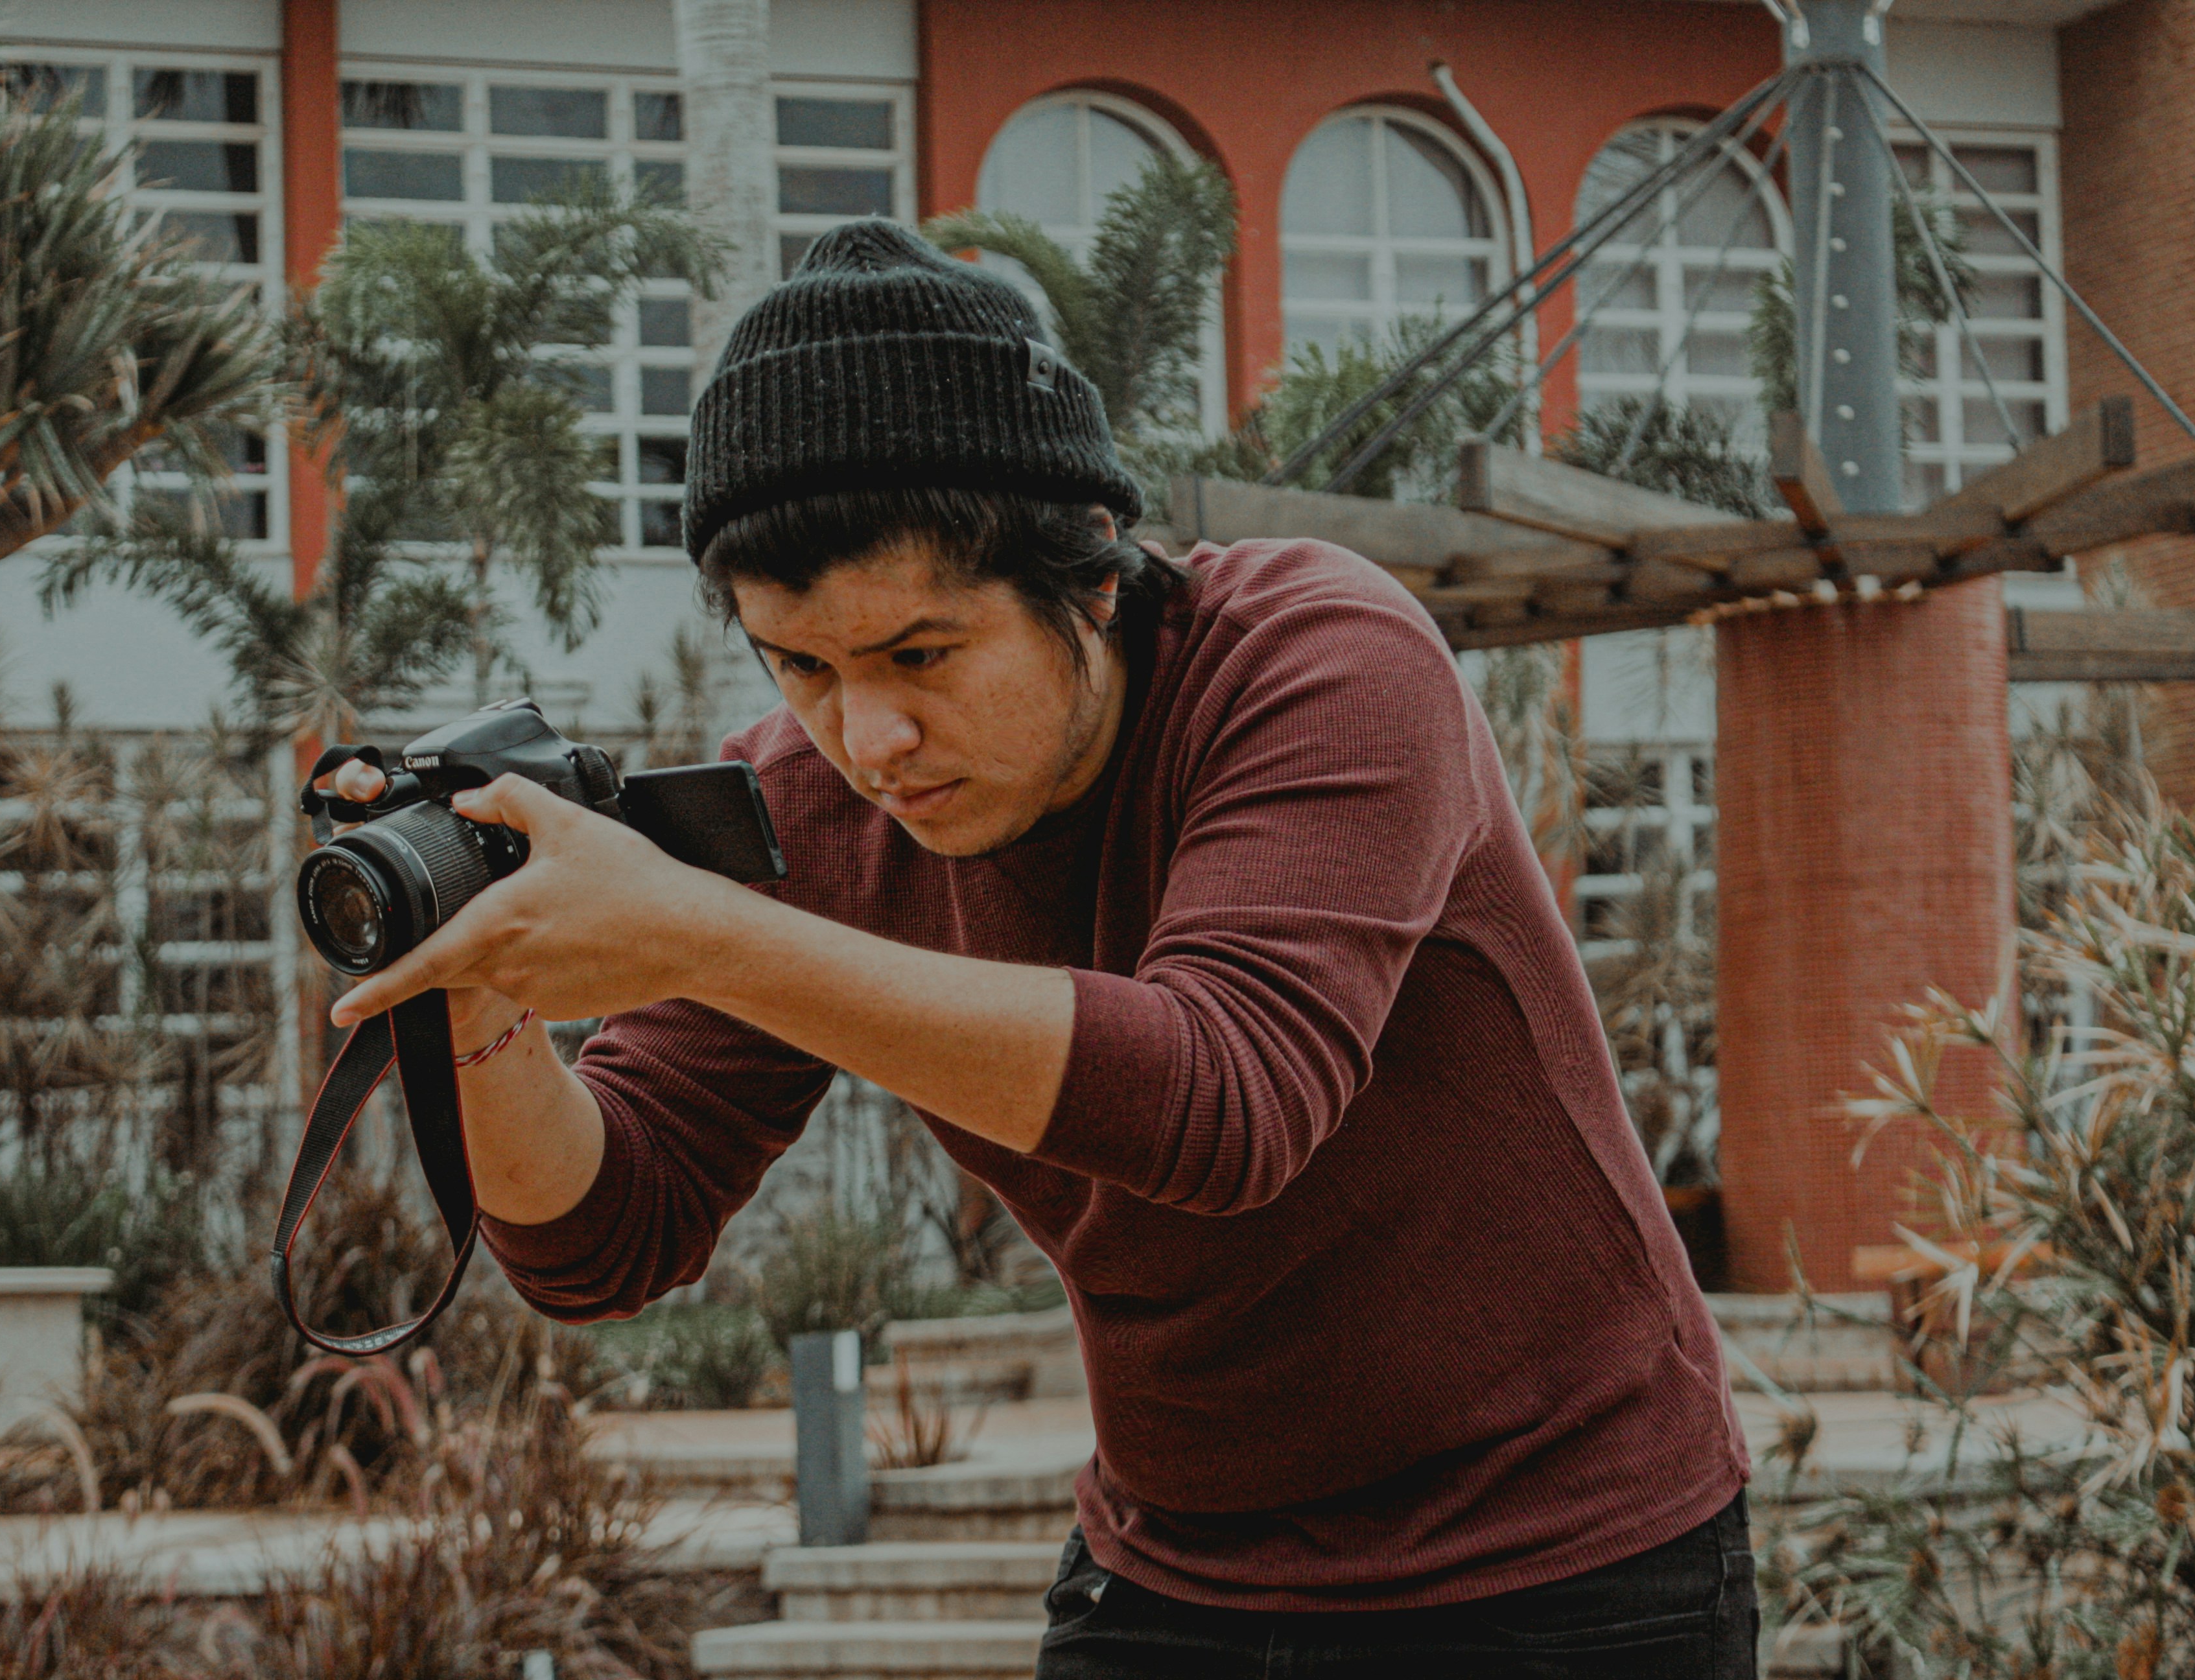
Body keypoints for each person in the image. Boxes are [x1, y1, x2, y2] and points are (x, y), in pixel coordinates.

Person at [321, 219, 1755, 1677]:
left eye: (922, 657)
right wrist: (476, 989)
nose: (868, 740)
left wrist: (706, 931)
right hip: (1177, 1571)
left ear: (1090, 578)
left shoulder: (1321, 657)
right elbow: (604, 1235)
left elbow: (1229, 1101)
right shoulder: (804, 808)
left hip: (1564, 1562)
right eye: (801, 667)